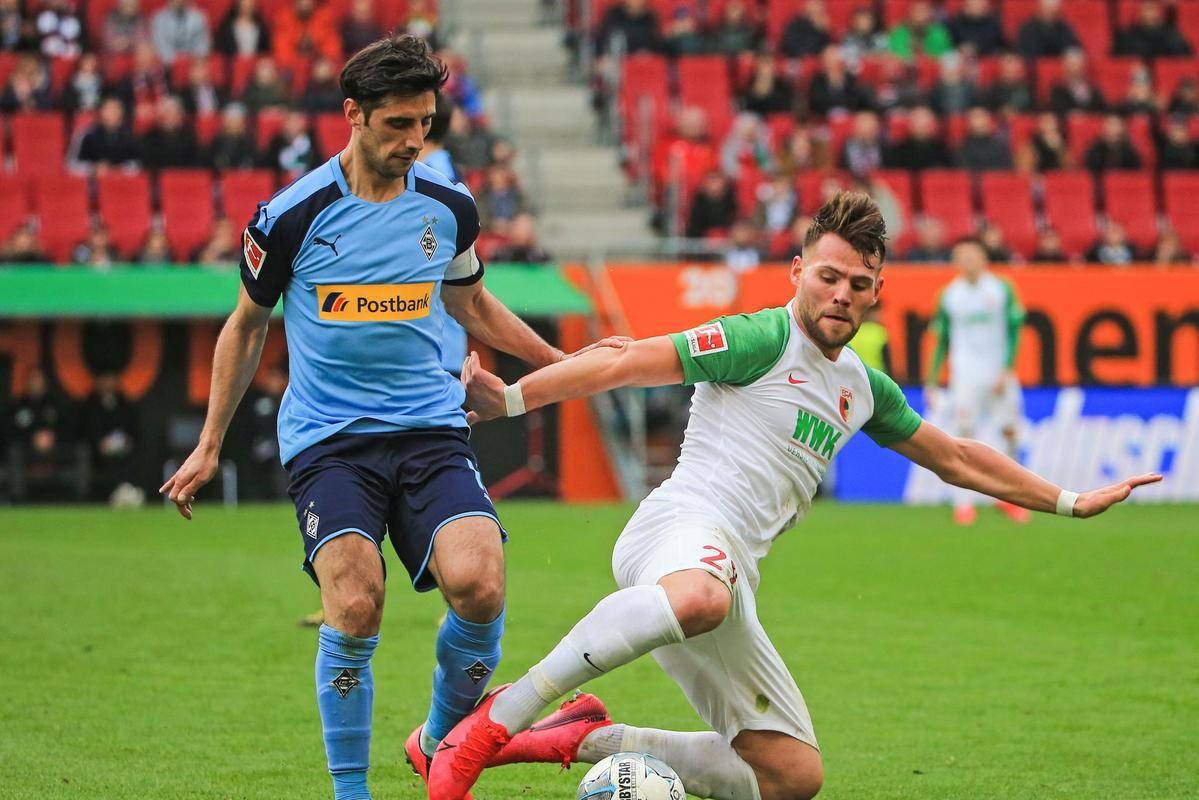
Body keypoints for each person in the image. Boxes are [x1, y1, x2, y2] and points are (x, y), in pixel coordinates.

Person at [429, 192, 1159, 800]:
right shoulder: (760, 339)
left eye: (858, 284)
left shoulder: (862, 389)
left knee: (790, 777)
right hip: (677, 530)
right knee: (702, 596)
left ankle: (579, 736)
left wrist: (1070, 501)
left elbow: (957, 457)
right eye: (829, 276)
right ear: (798, 272)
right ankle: (497, 719)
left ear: (876, 293)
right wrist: (514, 399)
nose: (841, 294)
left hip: (729, 576)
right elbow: (627, 359)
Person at [158, 35, 622, 800]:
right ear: (354, 114)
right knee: (354, 603)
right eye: (398, 123)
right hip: (330, 442)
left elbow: (472, 304)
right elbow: (245, 326)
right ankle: (352, 793)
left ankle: (439, 742)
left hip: (429, 430)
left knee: (480, 583)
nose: (414, 140)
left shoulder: (447, 207)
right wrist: (210, 444)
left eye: (424, 123)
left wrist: (559, 361)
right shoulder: (291, 216)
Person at [924, 239, 1028, 525]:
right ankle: (963, 504)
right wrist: (931, 381)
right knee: (963, 436)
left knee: (1010, 432)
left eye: (973, 255)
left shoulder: (1002, 288)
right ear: (955, 262)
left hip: (998, 374)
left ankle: (1009, 497)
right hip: (965, 376)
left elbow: (1014, 332)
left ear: (984, 258)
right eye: (962, 257)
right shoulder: (949, 295)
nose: (968, 261)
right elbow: (941, 341)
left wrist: (1007, 369)